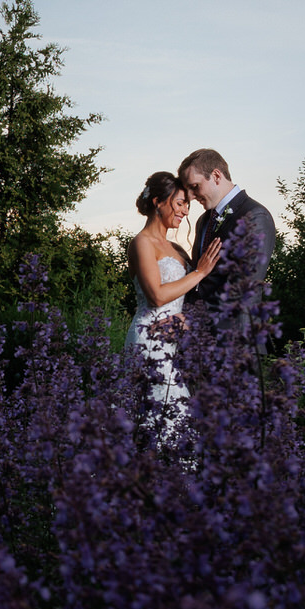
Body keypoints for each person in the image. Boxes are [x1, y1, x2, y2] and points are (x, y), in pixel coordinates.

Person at [127, 171, 221, 425]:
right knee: (159, 411)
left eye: (188, 205)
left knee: (175, 412)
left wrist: (187, 319)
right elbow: (156, 296)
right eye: (180, 203)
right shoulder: (142, 243)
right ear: (158, 201)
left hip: (175, 340)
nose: (185, 211)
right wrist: (200, 271)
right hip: (149, 337)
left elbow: (188, 294)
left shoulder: (177, 249)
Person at [178, 148, 276, 330]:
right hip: (199, 341)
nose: (190, 196)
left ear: (216, 176)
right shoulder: (204, 221)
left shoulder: (255, 216)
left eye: (194, 186)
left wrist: (193, 320)